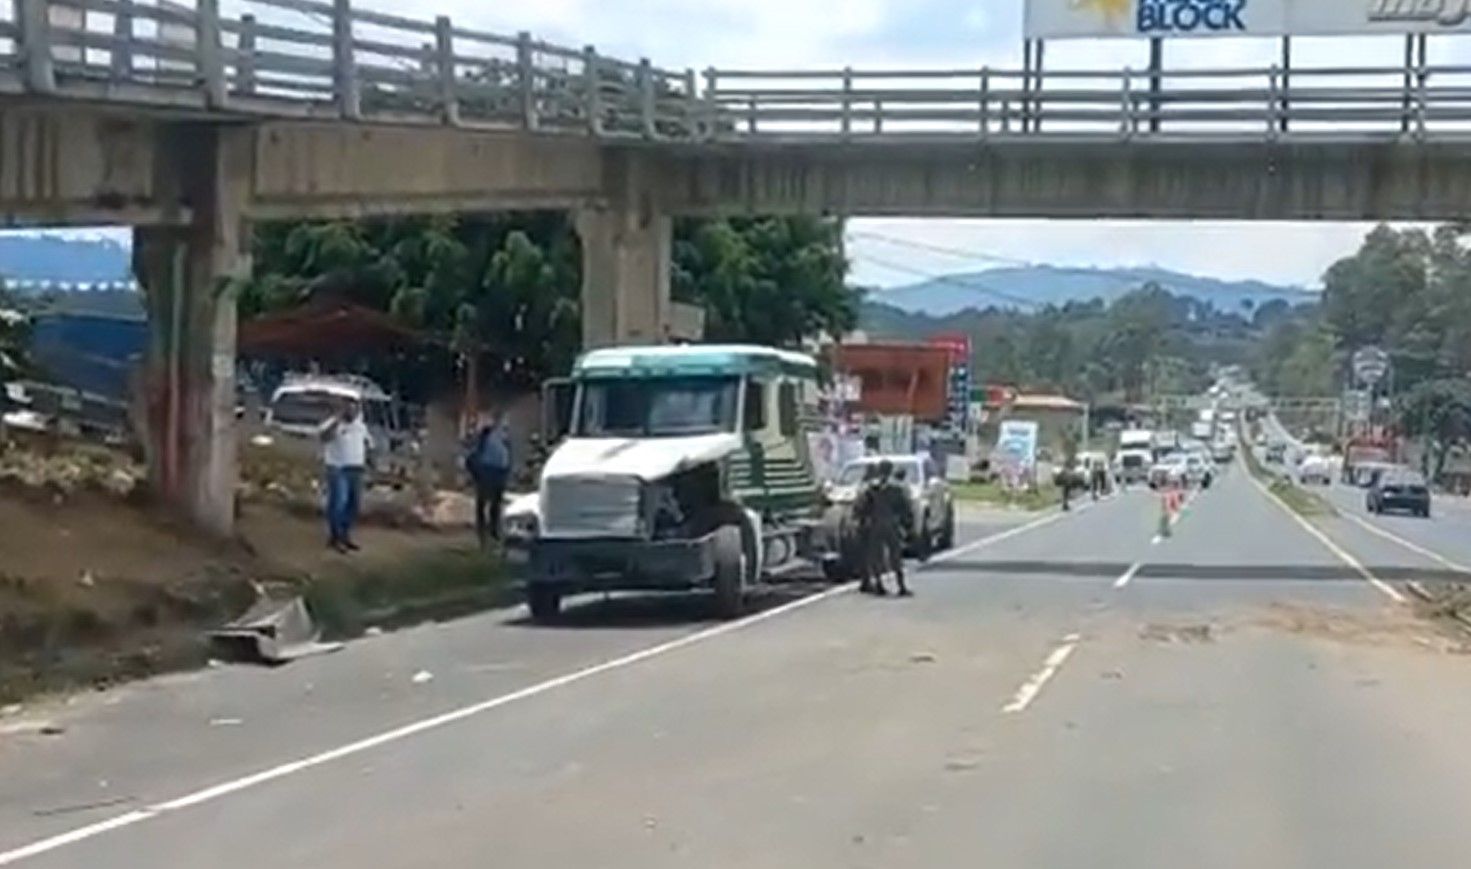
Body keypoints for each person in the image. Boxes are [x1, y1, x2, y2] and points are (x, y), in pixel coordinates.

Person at [853, 460, 915, 598]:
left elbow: (861, 506)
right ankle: (901, 586)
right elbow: (904, 508)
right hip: (892, 524)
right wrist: (907, 525)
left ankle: (879, 585)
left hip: (875, 525)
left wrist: (862, 519)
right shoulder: (896, 488)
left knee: (877, 556)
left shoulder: (871, 487)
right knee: (895, 556)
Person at [319, 397, 372, 553]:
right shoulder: (332, 424)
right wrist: (337, 420)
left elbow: (367, 444)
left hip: (356, 468)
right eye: (349, 407)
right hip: (337, 467)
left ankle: (345, 535)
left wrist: (369, 461)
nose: (352, 411)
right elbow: (324, 437)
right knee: (339, 503)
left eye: (355, 408)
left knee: (353, 504)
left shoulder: (360, 426)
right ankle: (335, 537)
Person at [464, 410, 513, 547]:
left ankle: (493, 530)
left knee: (495, 503)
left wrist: (507, 468)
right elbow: (475, 451)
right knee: (483, 503)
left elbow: (507, 453)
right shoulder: (485, 434)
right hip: (487, 469)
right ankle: (482, 533)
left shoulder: (504, 435)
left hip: (499, 470)